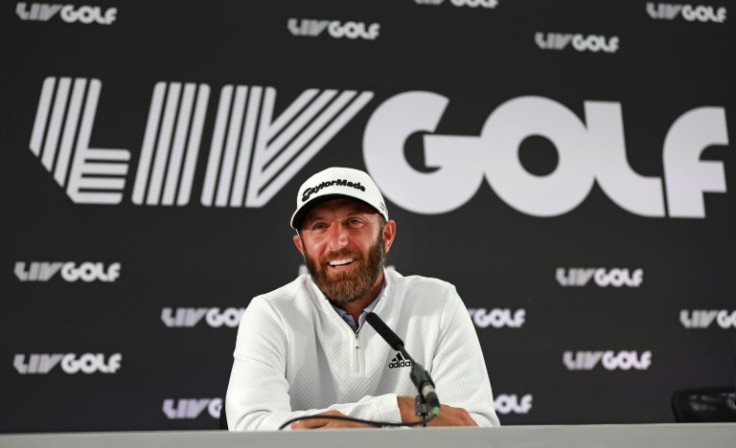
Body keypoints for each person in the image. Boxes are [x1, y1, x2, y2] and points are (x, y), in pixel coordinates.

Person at [225, 166, 500, 430]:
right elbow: (252, 427)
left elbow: (475, 428)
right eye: (319, 226)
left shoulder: (436, 303)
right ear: (302, 246)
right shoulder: (272, 312)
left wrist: (346, 425)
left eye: (354, 222)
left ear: (387, 235)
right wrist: (396, 410)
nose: (338, 242)